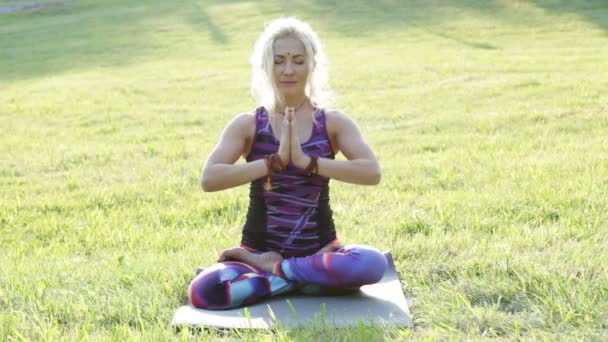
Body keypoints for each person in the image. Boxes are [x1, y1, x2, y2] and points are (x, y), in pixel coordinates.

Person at [188, 17, 387, 310]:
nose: (289, 70)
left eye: (298, 60)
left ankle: (279, 273)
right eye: (279, 61)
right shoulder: (248, 125)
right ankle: (308, 280)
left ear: (312, 66)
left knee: (372, 264)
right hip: (259, 252)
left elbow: (372, 172)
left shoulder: (332, 123)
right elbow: (210, 179)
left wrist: (308, 162)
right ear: (267, 66)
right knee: (204, 291)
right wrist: (272, 163)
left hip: (320, 252)